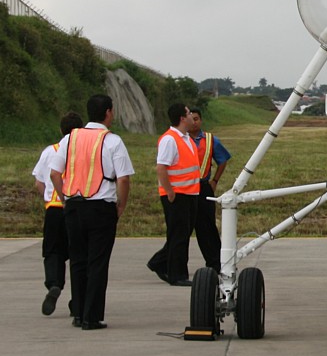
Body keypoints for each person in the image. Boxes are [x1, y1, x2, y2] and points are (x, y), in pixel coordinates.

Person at [49, 94, 134, 331]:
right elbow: (124, 179)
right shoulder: (113, 141)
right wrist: (121, 205)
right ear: (108, 112)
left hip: (74, 207)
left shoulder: (70, 139)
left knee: (77, 261)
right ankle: (91, 317)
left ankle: (77, 313)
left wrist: (65, 199)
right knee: (98, 262)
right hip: (101, 207)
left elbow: (55, 174)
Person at [33, 111, 81, 317]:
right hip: (78, 207)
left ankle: (54, 284)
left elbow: (39, 182)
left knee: (53, 251)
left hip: (54, 208)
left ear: (61, 130)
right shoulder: (83, 151)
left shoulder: (51, 150)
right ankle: (78, 300)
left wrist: (48, 198)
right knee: (79, 256)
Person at [146, 103, 199, 286]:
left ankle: (159, 262)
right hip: (177, 195)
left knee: (182, 234)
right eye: (189, 113)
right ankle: (177, 275)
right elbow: (161, 167)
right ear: (182, 118)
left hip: (190, 193)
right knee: (178, 236)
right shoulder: (170, 139)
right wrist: (169, 192)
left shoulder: (186, 138)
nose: (192, 115)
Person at [188, 108, 231, 271]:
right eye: (191, 119)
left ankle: (215, 262)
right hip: (185, 187)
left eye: (197, 118)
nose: (194, 122)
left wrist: (215, 181)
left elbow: (222, 160)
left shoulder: (210, 139)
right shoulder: (182, 139)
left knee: (207, 226)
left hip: (203, 186)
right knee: (183, 227)